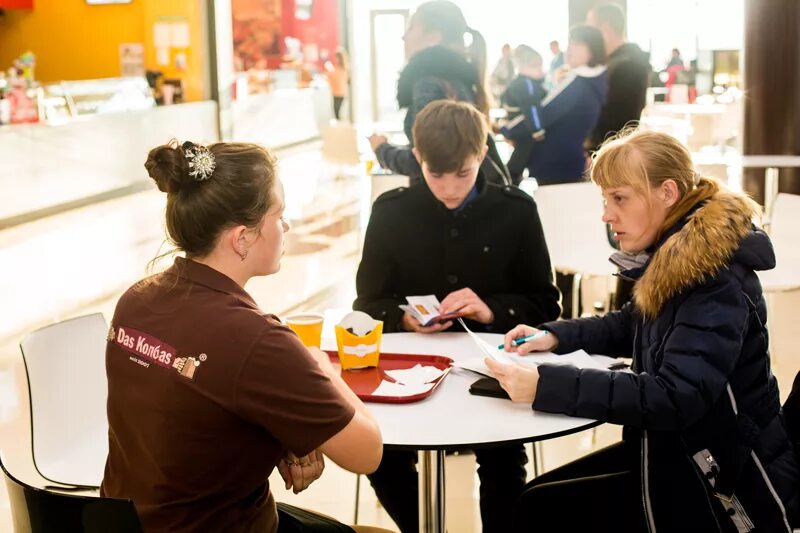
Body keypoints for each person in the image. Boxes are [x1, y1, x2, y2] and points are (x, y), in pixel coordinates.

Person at [486, 130, 800, 532]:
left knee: (539, 510)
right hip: (679, 454)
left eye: (619, 198)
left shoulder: (713, 278)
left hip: (723, 485)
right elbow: (635, 322)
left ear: (667, 193)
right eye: (605, 200)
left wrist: (546, 384)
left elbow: (675, 395)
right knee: (534, 502)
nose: (606, 215)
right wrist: (556, 336)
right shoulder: (680, 255)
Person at [102, 140, 386, 533]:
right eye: (279, 214)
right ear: (243, 238)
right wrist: (322, 367)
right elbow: (367, 451)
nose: (286, 226)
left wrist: (282, 436)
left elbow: (191, 416)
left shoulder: (136, 300)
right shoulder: (257, 339)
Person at [356, 100, 560, 533]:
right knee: (382, 454)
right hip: (406, 368)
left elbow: (546, 304)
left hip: (491, 364)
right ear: (417, 160)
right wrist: (403, 317)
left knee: (504, 459)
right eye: (436, 174)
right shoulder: (391, 211)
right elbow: (367, 303)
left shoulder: (516, 209)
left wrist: (493, 310)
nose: (449, 188)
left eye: (462, 174)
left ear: (482, 154)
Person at [367, 0, 511, 186]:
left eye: (411, 28)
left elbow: (435, 162)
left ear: (433, 37)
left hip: (448, 206)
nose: (404, 36)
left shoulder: (428, 82)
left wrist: (381, 149)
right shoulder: (456, 80)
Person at [501, 25, 607, 185]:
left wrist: (507, 129)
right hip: (568, 161)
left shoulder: (578, 82)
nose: (569, 49)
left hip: (555, 164)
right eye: (570, 42)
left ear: (592, 49)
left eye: (577, 44)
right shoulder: (597, 80)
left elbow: (543, 113)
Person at [586, 2, 651, 150]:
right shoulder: (611, 62)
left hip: (611, 154)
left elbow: (620, 120)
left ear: (605, 28)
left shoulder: (629, 64)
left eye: (591, 29)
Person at [499, 45, 547, 183]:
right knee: (520, 157)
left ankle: (511, 179)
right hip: (524, 129)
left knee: (520, 156)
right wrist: (537, 130)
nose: (540, 70)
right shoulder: (527, 84)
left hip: (519, 127)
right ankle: (509, 182)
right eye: (536, 66)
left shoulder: (521, 83)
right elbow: (531, 107)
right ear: (523, 66)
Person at [325, 48, 349, 120]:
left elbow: (335, 77)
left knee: (337, 113)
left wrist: (329, 72)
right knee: (337, 112)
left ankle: (340, 128)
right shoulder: (340, 68)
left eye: (337, 57)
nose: (335, 59)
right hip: (337, 92)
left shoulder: (343, 68)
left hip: (340, 92)